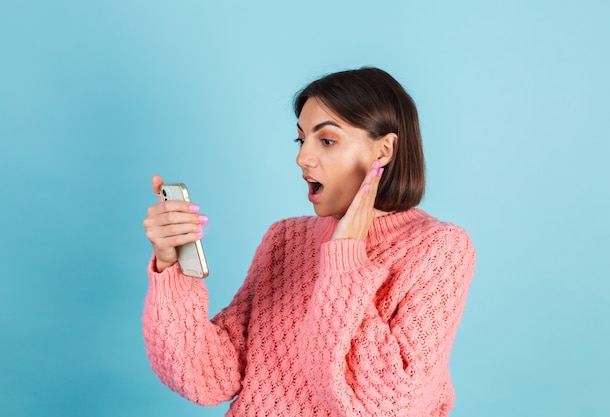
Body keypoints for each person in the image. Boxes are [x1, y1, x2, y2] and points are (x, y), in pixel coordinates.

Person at [142, 67, 476, 416]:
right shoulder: (287, 239)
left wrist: (346, 258)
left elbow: (389, 405)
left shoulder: (440, 249)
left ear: (384, 150)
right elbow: (208, 377)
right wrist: (172, 263)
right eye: (301, 140)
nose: (302, 158)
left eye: (327, 140)